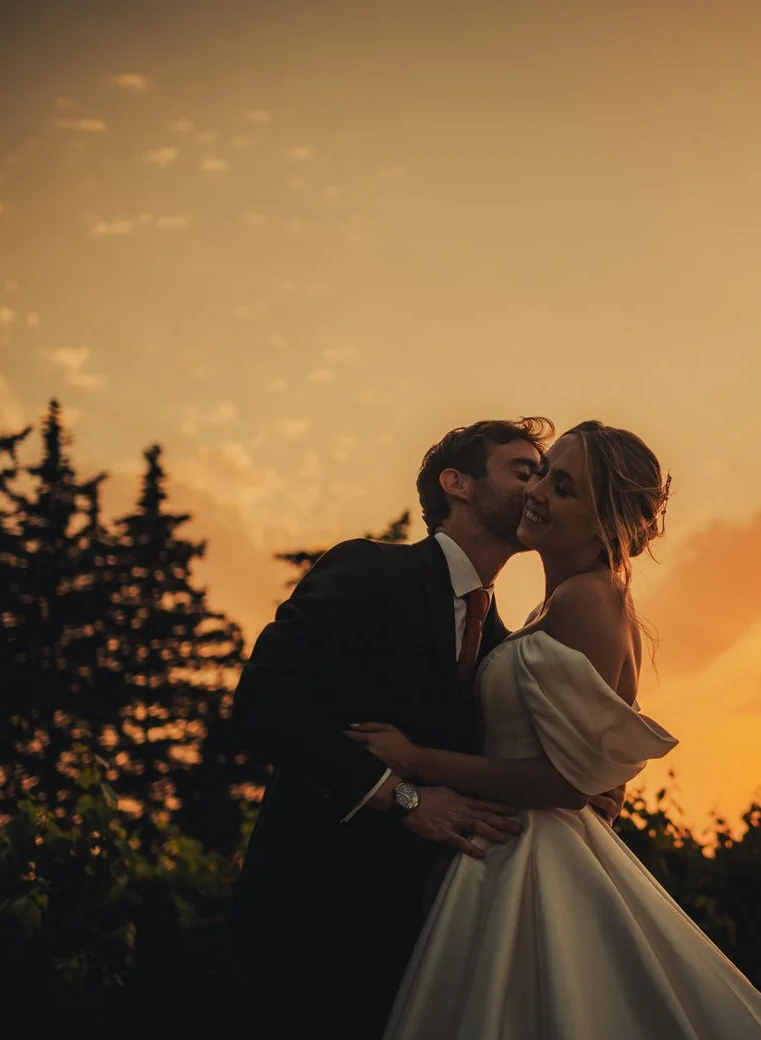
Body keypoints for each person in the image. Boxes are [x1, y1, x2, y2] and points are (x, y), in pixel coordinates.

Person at [346, 421, 761, 1039]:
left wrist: (416, 759)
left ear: (604, 524)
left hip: (531, 860)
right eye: (541, 472)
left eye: (562, 487)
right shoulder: (556, 604)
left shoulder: (586, 603)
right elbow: (598, 770)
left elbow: (567, 784)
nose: (537, 491)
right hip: (503, 844)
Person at [227, 417, 624, 1040]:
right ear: (457, 484)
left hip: (421, 933)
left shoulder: (503, 646)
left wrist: (582, 779)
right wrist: (401, 793)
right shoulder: (367, 570)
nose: (536, 489)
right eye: (525, 471)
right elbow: (264, 702)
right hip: (306, 915)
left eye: (546, 476)